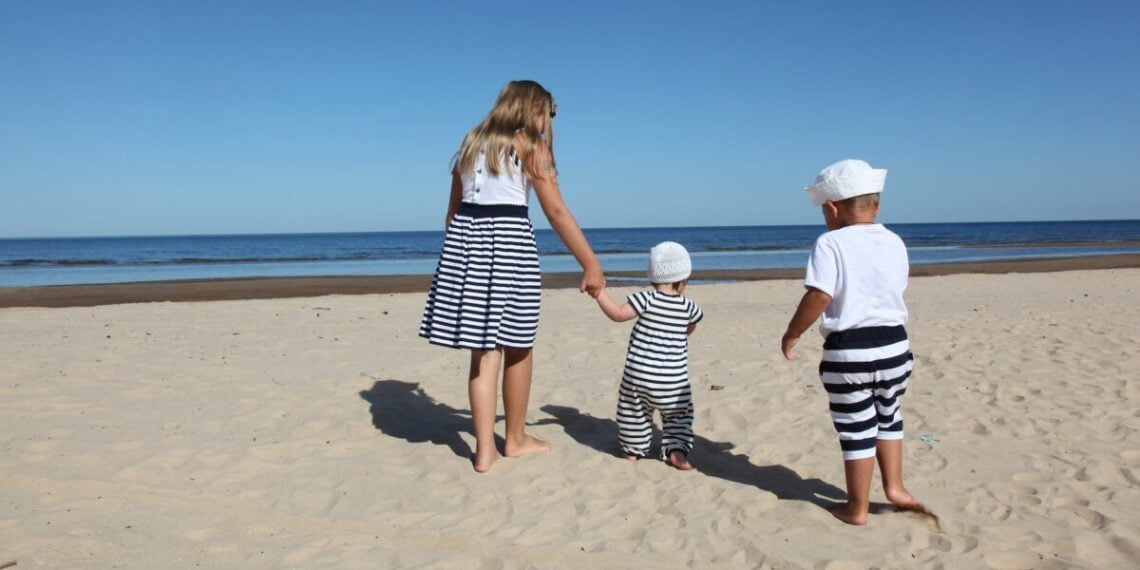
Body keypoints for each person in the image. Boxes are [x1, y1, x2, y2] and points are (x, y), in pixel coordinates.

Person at [419, 80, 605, 473]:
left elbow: (452, 212)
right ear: (534, 109)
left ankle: (484, 450)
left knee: (484, 352)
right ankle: (515, 439)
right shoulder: (530, 145)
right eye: (549, 113)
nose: (550, 121)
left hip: (466, 246)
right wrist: (590, 262)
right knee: (518, 344)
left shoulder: (471, 142)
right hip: (510, 245)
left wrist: (462, 259)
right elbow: (556, 212)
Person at [780, 159, 932, 525]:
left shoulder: (830, 243)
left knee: (856, 427)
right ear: (876, 205)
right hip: (896, 347)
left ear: (832, 209)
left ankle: (857, 508)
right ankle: (895, 487)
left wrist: (793, 333)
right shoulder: (894, 241)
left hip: (850, 352)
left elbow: (820, 295)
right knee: (889, 416)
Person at [594, 241, 703, 470]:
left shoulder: (646, 299)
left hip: (639, 375)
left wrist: (599, 293)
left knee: (633, 413)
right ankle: (676, 452)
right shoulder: (689, 307)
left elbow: (618, 314)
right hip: (673, 381)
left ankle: (632, 451)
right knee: (678, 416)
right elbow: (689, 328)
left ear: (652, 277)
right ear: (684, 279)